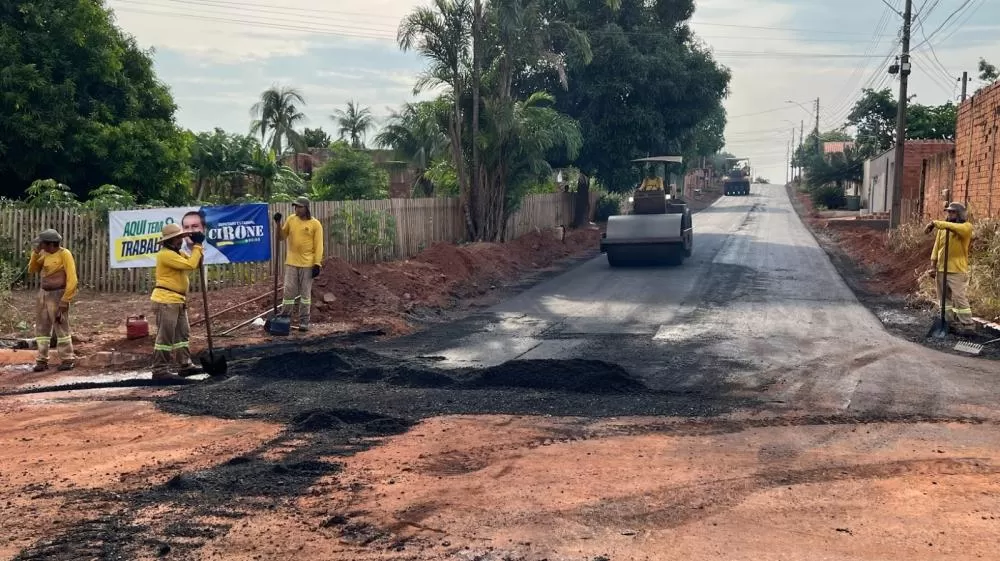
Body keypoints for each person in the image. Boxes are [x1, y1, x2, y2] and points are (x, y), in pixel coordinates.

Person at [150, 223, 205, 380]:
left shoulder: (178, 253)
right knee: (165, 336)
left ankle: (185, 365)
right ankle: (159, 370)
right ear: (169, 240)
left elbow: (197, 262)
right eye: (177, 238)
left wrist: (198, 246)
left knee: (182, 334)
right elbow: (190, 264)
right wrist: (197, 246)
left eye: (181, 237)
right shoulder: (165, 254)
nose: (180, 240)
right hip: (166, 300)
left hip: (178, 299)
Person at [27, 229, 78, 372]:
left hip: (58, 295)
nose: (40, 245)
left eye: (42, 243)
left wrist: (65, 300)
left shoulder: (64, 254)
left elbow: (72, 279)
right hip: (43, 294)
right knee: (42, 328)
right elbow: (32, 269)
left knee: (61, 326)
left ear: (50, 244)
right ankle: (42, 360)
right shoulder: (43, 254)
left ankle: (67, 359)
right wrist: (35, 253)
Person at [274, 196, 324, 332]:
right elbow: (281, 237)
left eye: (299, 207)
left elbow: (319, 245)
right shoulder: (291, 220)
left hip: (307, 264)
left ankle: (304, 321)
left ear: (306, 208)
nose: (296, 209)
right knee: (288, 292)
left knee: (305, 294)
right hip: (291, 262)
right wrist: (278, 223)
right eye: (295, 206)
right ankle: (284, 318)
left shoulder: (315, 224)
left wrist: (317, 264)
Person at [926, 201, 976, 334]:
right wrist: (933, 266)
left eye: (953, 212)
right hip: (941, 269)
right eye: (948, 211)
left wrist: (935, 223)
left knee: (959, 298)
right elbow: (936, 248)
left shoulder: (966, 227)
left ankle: (968, 325)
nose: (950, 214)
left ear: (960, 214)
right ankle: (949, 323)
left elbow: (954, 227)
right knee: (944, 300)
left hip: (957, 270)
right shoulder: (942, 229)